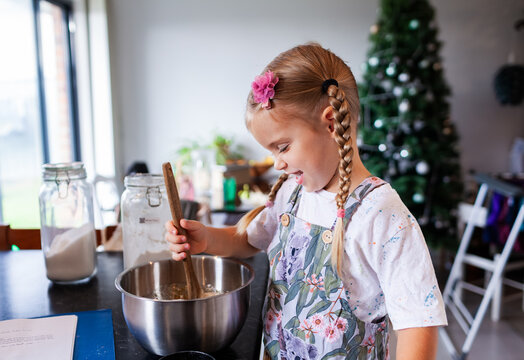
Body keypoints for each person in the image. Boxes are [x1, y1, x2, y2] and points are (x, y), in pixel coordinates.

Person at [166, 43, 446, 359]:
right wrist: (207, 239)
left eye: (283, 147)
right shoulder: (292, 192)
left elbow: (418, 324)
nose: (276, 164)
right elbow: (249, 240)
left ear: (329, 123)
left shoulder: (381, 214)